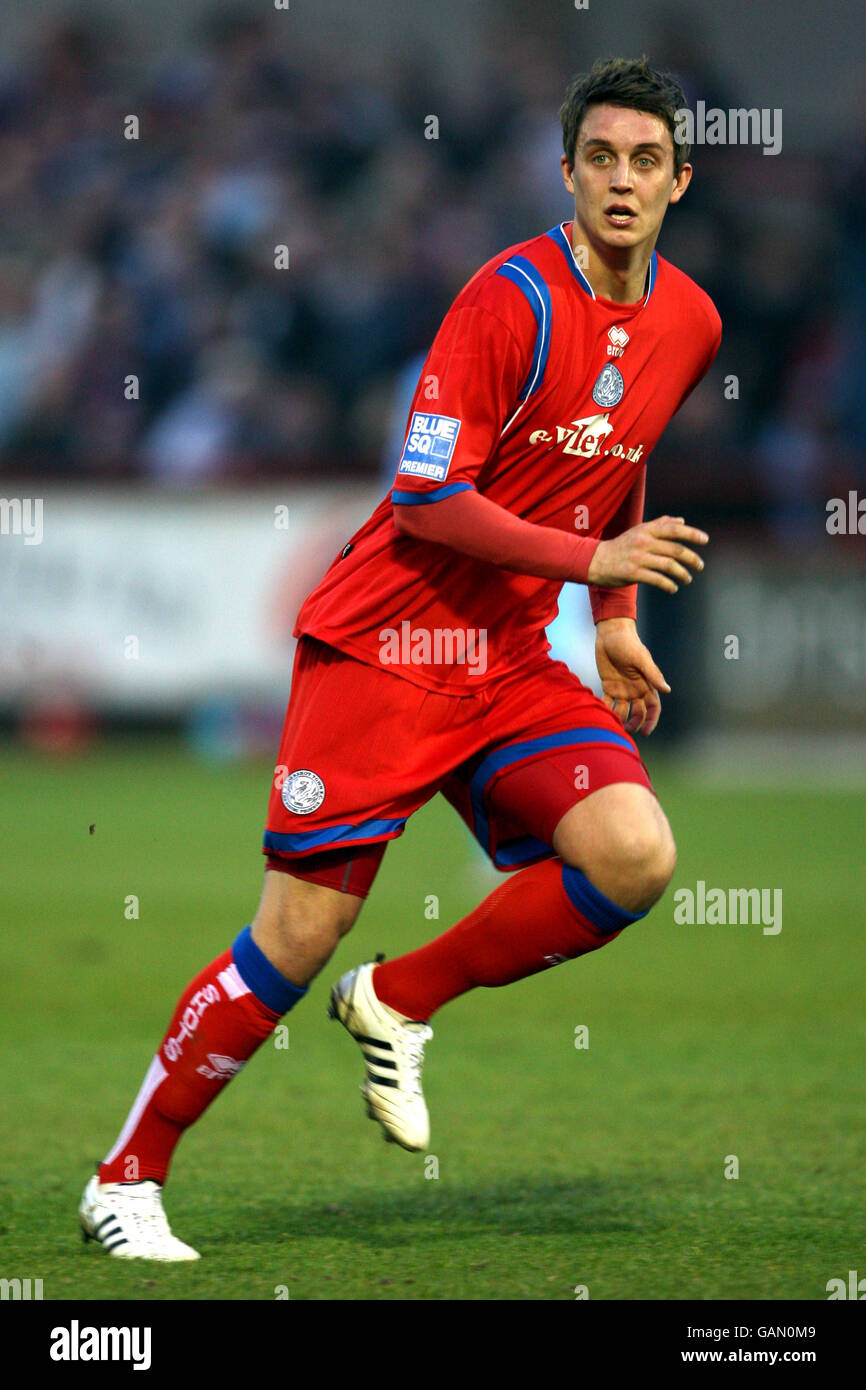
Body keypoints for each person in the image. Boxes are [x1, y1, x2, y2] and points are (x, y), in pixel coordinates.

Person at [79, 55, 721, 1261]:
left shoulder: (691, 320)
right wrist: (594, 574)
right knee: (295, 935)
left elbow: (616, 449)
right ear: (567, 171)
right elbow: (426, 498)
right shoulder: (508, 299)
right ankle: (126, 1178)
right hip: (387, 643)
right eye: (600, 158)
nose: (621, 181)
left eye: (646, 161)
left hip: (512, 657)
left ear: (678, 180)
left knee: (631, 856)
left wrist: (618, 619)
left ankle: (400, 998)